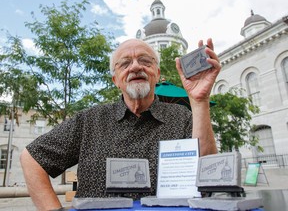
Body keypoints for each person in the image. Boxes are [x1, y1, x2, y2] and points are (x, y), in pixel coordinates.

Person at [20, 38, 221, 210]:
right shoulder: (89, 120)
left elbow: (207, 173)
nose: (135, 66)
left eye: (145, 61)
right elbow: (31, 158)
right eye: (125, 63)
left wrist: (200, 101)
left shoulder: (182, 117)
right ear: (116, 79)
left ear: (157, 74)